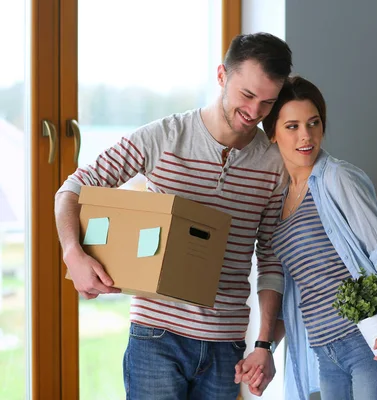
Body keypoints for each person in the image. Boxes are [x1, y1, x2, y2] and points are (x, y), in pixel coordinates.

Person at [54, 32, 292, 400]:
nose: (255, 113)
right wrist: (73, 252)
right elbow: (73, 187)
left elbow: (272, 259)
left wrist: (264, 344)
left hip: (226, 344)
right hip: (156, 336)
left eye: (268, 102)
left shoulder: (274, 164)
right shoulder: (164, 137)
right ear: (221, 76)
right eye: (247, 95)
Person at [235, 76, 377, 400]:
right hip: (325, 352)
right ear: (272, 133)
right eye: (292, 126)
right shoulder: (279, 201)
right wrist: (265, 349)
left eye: (313, 123)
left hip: (368, 342)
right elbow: (295, 293)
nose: (306, 136)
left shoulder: (337, 178)